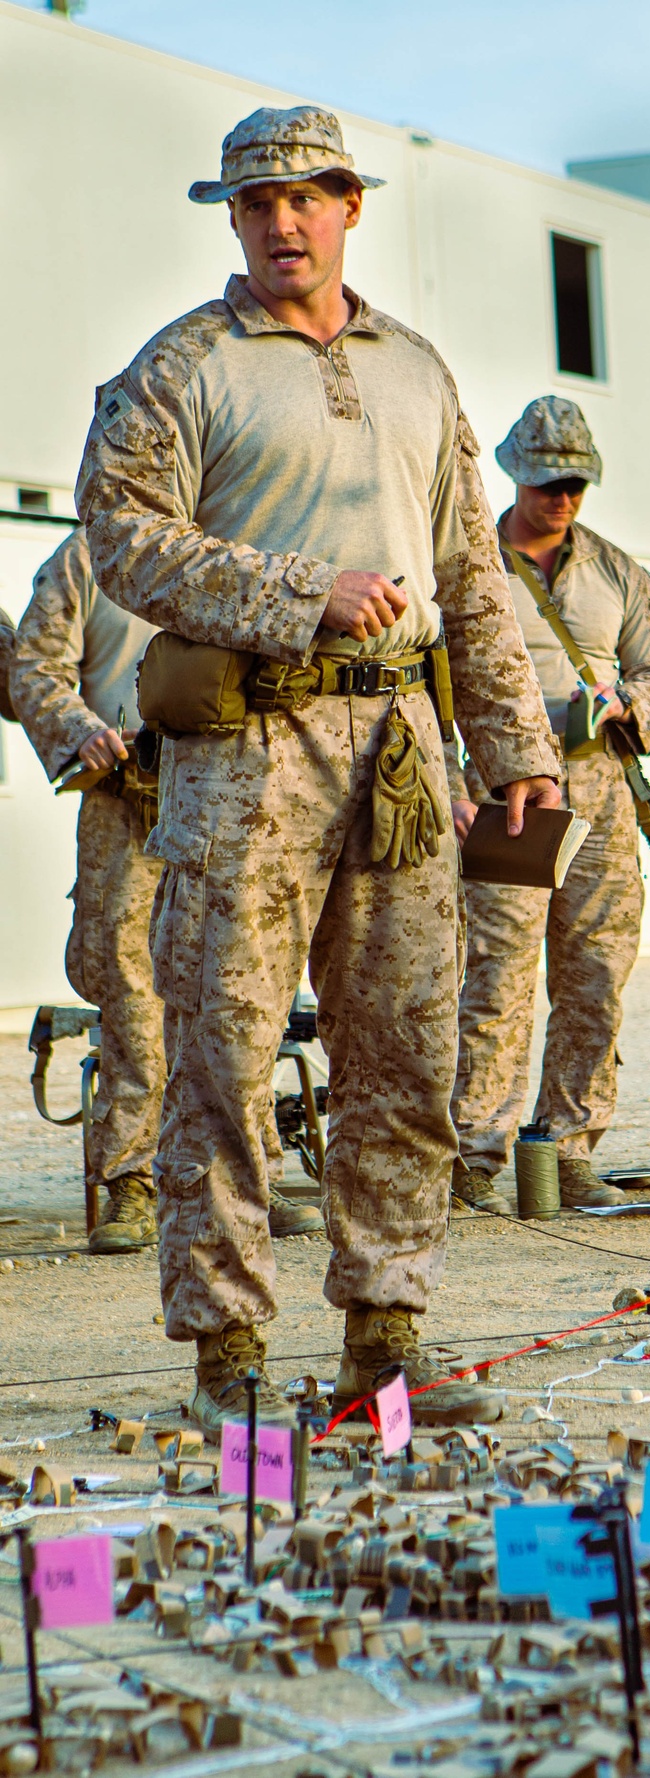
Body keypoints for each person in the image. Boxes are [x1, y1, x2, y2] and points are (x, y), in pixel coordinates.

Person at [74, 106, 561, 1433]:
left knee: (401, 1046)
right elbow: (117, 538)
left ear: (350, 204)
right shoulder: (181, 370)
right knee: (222, 1056)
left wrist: (516, 744)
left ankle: (384, 1346)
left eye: (306, 197)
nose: (282, 222)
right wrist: (300, 591)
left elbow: (473, 574)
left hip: (401, 750)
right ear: (231, 220)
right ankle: (229, 1354)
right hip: (244, 751)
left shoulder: (418, 369)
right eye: (254, 204)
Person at [10, 531, 325, 1251]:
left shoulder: (243, 533)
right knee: (128, 986)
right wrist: (78, 729)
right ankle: (131, 1178)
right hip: (126, 794)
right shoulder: (90, 556)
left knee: (242, 979)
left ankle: (251, 1176)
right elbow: (33, 664)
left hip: (234, 790)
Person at [451, 397, 650, 1213]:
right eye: (549, 481)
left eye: (577, 483)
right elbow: (433, 681)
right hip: (506, 793)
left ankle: (569, 1147)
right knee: (497, 979)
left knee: (593, 980)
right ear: (515, 474)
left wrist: (632, 705)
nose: (563, 498)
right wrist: (452, 787)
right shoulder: (467, 564)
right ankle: (475, 1158)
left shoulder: (620, 573)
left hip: (601, 796)